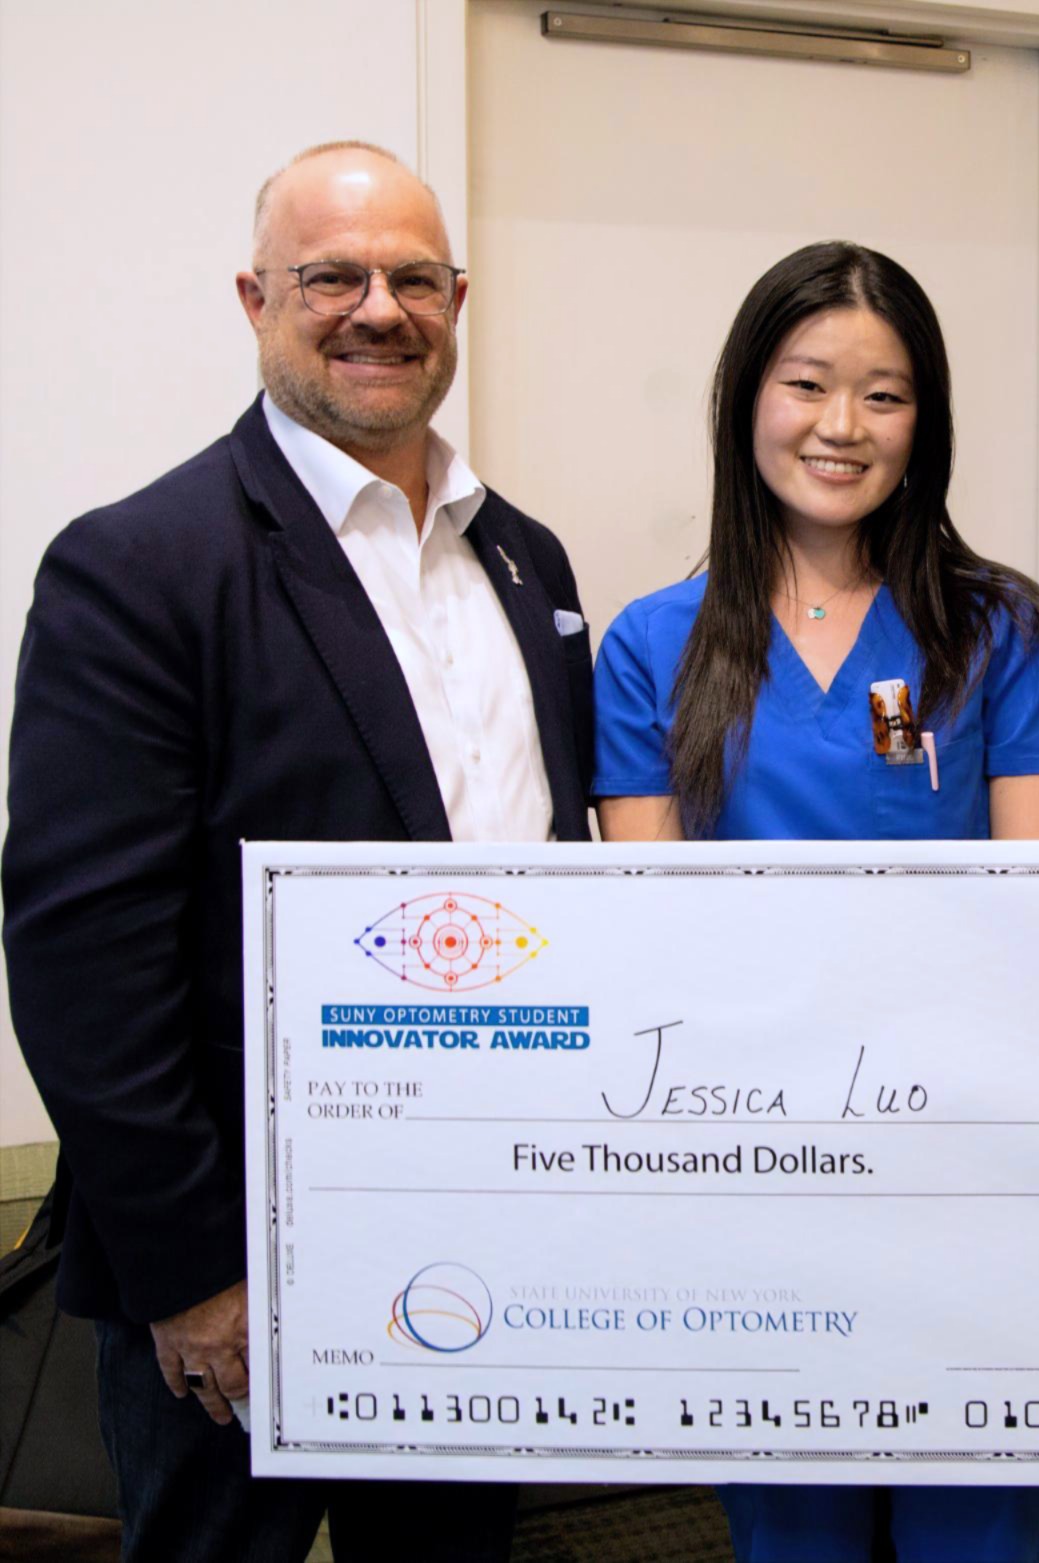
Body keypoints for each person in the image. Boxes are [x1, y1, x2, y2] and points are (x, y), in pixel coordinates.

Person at [2, 141, 594, 1563]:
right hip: (242, 1266)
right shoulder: (139, 565)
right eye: (332, 274)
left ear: (458, 297)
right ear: (257, 298)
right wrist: (196, 1272)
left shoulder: (527, 560)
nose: (377, 306)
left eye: (411, 277)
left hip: (481, 1224)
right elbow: (85, 958)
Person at [594, 240, 1039, 1561]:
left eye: (885, 394)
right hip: (754, 1159)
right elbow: (654, 934)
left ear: (923, 423)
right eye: (809, 382)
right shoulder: (655, 644)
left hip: (966, 1159)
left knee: (975, 1519)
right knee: (790, 1524)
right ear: (746, 396)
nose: (841, 425)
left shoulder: (1000, 634)